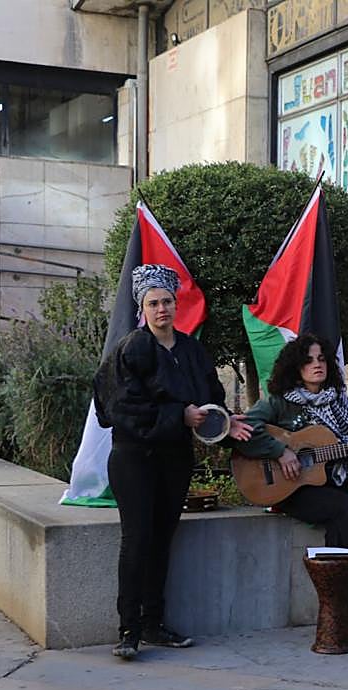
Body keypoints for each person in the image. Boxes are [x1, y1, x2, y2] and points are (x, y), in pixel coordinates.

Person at [93, 264, 252, 661]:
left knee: (162, 540)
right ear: (142, 309)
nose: (161, 308)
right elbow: (118, 409)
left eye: (166, 301)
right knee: (137, 540)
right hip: (134, 458)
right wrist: (178, 416)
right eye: (153, 303)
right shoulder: (130, 349)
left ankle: (153, 623)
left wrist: (224, 421)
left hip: (174, 457)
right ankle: (128, 629)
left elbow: (210, 396)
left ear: (175, 304)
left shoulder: (192, 351)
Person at [235, 334, 348, 622]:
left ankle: (337, 609)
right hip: (290, 491)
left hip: (336, 487)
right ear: (295, 366)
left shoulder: (344, 406)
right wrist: (280, 452)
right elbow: (245, 431)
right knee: (344, 508)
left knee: (343, 513)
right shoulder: (280, 404)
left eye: (322, 359)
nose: (317, 365)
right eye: (309, 360)